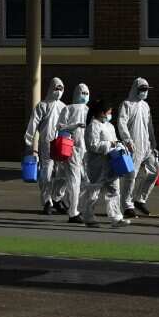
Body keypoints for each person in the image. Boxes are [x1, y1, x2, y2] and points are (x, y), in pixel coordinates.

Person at [80, 98, 131, 228]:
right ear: (102, 113)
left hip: (112, 164)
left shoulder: (109, 126)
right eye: (109, 112)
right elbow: (93, 145)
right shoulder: (93, 126)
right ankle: (88, 216)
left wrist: (120, 146)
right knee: (94, 191)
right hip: (97, 165)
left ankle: (116, 217)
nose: (110, 114)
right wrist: (110, 144)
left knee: (114, 190)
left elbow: (114, 141)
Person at [23, 77, 66, 215]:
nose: (58, 91)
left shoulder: (63, 107)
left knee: (62, 172)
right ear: (51, 88)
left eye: (61, 89)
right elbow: (33, 123)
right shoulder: (42, 105)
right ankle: (47, 201)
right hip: (46, 143)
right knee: (46, 173)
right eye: (56, 88)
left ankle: (57, 198)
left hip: (61, 143)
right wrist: (29, 142)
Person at [117, 77, 158, 219]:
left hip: (146, 145)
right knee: (131, 176)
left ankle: (140, 199)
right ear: (136, 89)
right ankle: (127, 205)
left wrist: (153, 144)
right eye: (142, 89)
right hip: (133, 146)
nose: (145, 92)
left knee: (154, 171)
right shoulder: (127, 104)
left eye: (147, 90)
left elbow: (149, 126)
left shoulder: (146, 106)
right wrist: (127, 140)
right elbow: (121, 123)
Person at [57, 83, 90, 224]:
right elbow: (60, 127)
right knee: (75, 181)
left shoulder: (89, 110)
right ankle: (73, 213)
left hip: (86, 151)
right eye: (82, 93)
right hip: (73, 150)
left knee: (86, 181)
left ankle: (71, 203)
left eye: (86, 93)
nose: (84, 96)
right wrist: (74, 126)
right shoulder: (68, 109)